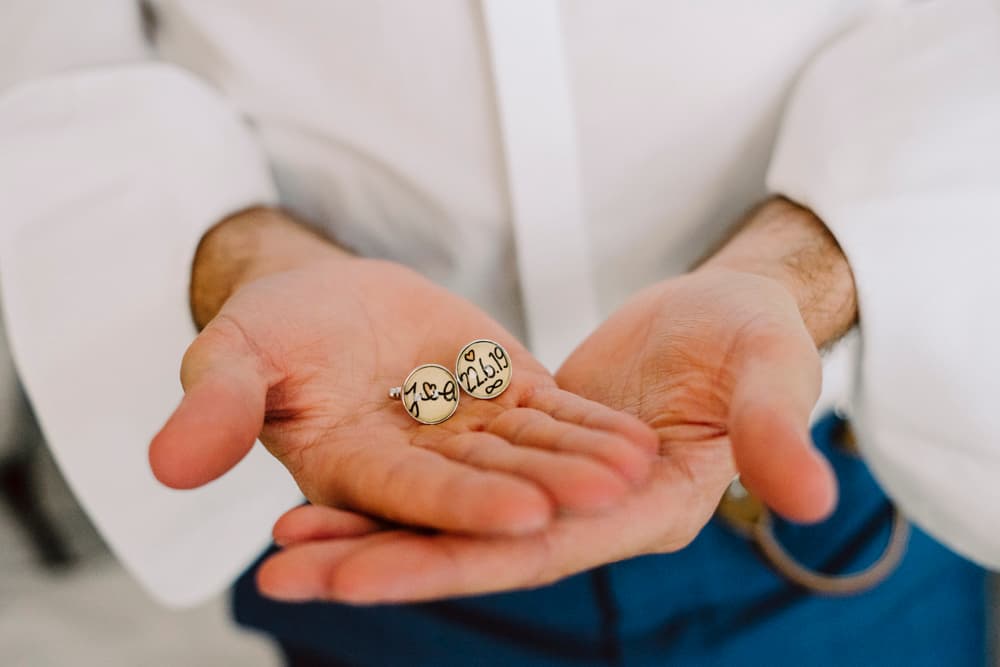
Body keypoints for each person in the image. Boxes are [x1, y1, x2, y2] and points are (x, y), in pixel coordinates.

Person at [1, 0, 997, 664]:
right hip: (359, 493)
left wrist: (804, 262)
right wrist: (238, 251)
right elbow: (50, 43)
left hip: (838, 494)